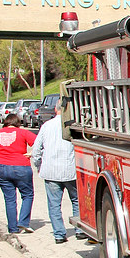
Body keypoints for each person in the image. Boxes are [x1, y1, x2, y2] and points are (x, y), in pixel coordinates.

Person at [32, 102, 85, 244]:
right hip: (70, 170)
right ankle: (79, 230)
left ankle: (59, 234)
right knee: (76, 201)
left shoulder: (46, 126)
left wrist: (38, 165)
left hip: (51, 171)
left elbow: (36, 150)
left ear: (55, 109)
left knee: (54, 204)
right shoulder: (73, 127)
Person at [0, 113, 37, 235]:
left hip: (1, 167)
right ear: (18, 122)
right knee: (27, 195)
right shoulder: (23, 133)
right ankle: (23, 221)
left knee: (9, 199)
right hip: (21, 166)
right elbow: (39, 142)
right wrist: (32, 153)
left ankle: (12, 228)